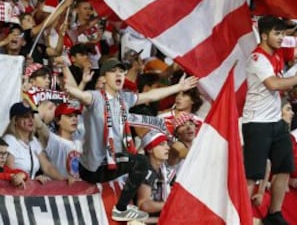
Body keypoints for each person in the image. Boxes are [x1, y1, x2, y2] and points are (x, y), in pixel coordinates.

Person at [64, 57, 198, 222]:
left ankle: (120, 209)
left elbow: (150, 96)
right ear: (104, 78)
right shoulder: (96, 97)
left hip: (109, 164)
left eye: (121, 71)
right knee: (140, 161)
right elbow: (81, 95)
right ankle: (122, 208)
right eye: (113, 71)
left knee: (140, 162)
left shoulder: (124, 99)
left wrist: (178, 86)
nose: (118, 74)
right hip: (91, 168)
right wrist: (69, 86)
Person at [242, 10, 297, 225]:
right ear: (263, 35)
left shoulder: (279, 53)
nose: (281, 38)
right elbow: (273, 84)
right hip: (257, 124)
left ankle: (274, 214)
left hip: (276, 122)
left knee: (284, 168)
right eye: (277, 34)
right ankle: (240, 216)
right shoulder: (257, 58)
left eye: (283, 34)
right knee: (252, 174)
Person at [3, 102, 67, 183]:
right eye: (26, 117)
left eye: (32, 116)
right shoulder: (9, 140)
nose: (31, 120)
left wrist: (64, 180)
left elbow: (47, 167)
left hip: (29, 191)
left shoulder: (33, 141)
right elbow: (12, 173)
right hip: (13, 193)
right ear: (15, 121)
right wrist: (33, 181)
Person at [35, 103, 83, 179]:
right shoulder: (52, 139)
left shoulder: (80, 144)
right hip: (55, 189)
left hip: (78, 189)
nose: (75, 119)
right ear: (57, 120)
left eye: (76, 116)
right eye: (69, 116)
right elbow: (36, 120)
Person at [137, 130, 174, 220]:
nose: (167, 148)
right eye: (161, 144)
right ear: (149, 149)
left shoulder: (167, 171)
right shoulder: (144, 170)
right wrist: (171, 203)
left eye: (167, 144)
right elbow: (143, 205)